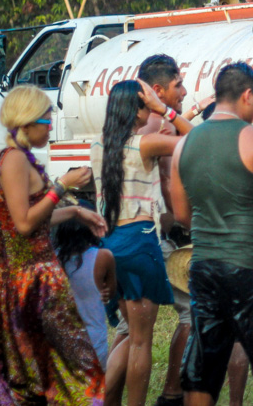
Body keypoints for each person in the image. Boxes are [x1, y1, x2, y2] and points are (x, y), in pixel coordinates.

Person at [168, 62, 253, 406]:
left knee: (202, 368)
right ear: (247, 95)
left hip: (204, 267)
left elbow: (181, 215)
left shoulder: (183, 146)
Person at [0, 84, 107, 402]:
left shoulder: (4, 158)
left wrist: (74, 211)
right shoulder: (14, 161)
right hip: (34, 284)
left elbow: (20, 222)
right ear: (28, 121)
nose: (51, 125)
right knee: (75, 374)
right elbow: (24, 225)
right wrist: (61, 186)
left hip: (17, 282)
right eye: (47, 118)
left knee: (37, 376)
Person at [92, 79, 193, 406]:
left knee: (127, 336)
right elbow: (197, 138)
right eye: (144, 105)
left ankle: (105, 400)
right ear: (136, 108)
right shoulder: (144, 143)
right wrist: (165, 109)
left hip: (109, 242)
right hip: (140, 241)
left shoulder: (99, 144)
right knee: (141, 342)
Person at [53, 207, 117, 368]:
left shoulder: (52, 259)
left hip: (60, 342)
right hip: (95, 342)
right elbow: (110, 293)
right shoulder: (104, 257)